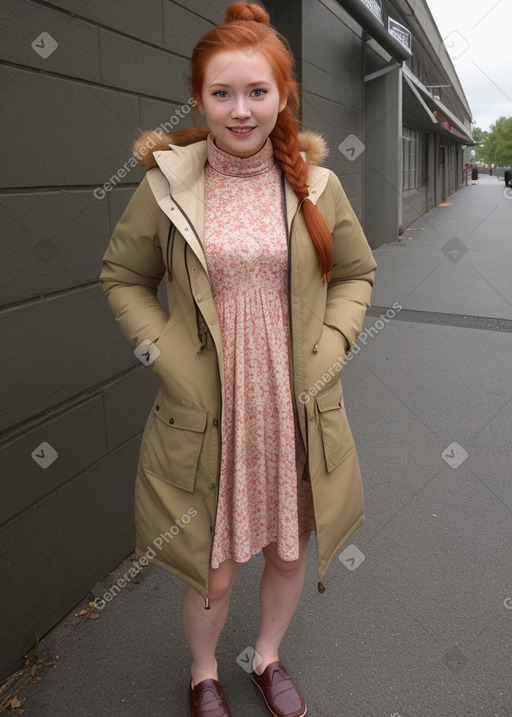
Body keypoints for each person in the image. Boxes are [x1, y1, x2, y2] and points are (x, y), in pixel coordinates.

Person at [100, 3, 376, 716]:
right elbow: (122, 276)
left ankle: (268, 655)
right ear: (199, 96)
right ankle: (202, 672)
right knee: (212, 568)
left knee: (288, 553)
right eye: (222, 92)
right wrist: (168, 356)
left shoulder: (316, 185)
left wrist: (333, 343)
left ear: (284, 97)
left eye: (258, 91)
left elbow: (355, 274)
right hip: (210, 410)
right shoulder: (167, 184)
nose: (241, 109)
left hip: (294, 405)